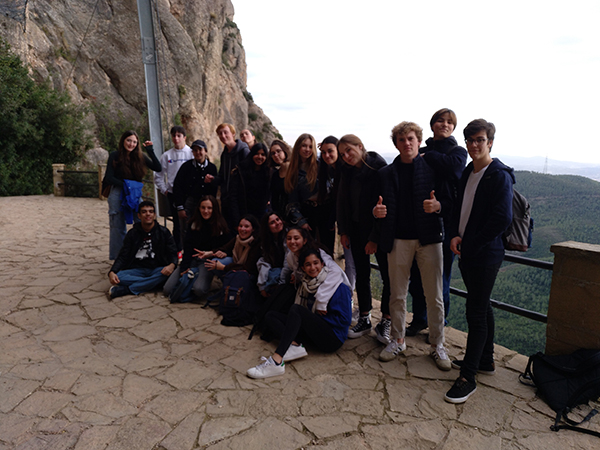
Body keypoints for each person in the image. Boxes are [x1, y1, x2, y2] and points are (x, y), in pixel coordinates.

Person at [445, 119, 514, 404]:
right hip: (467, 249)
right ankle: (485, 360)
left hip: (485, 254)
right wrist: (454, 234)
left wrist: (470, 243)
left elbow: (502, 218)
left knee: (475, 312)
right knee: (482, 305)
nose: (474, 145)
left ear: (490, 143)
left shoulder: (498, 175)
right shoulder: (468, 171)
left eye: (480, 140)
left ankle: (468, 377)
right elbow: (459, 208)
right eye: (470, 140)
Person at [372, 122, 451, 371]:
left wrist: (438, 206)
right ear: (396, 144)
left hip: (429, 239)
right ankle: (397, 340)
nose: (407, 143)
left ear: (418, 141)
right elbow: (374, 206)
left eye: (411, 139)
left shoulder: (433, 169)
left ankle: (438, 344)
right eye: (402, 139)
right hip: (398, 239)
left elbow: (450, 200)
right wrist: (375, 212)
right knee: (397, 294)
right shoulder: (385, 173)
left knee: (434, 296)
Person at [246, 247, 352, 379]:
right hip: (314, 332)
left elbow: (345, 320)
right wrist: (311, 322)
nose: (312, 268)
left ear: (322, 264)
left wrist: (316, 320)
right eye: (308, 264)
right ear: (303, 268)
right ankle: (294, 346)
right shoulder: (306, 285)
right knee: (271, 316)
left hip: (332, 338)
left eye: (315, 263)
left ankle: (277, 361)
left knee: (297, 310)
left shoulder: (338, 287)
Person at [406, 108, 467, 336]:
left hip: (445, 223)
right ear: (432, 125)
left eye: (450, 122)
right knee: (416, 277)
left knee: (440, 279)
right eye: (440, 120)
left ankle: (438, 324)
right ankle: (420, 319)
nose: (445, 124)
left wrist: (428, 156)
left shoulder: (457, 152)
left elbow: (454, 167)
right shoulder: (421, 151)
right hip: (418, 222)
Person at [336, 134, 391, 344]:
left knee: (387, 276)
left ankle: (386, 320)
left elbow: (384, 205)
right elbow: (342, 202)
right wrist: (344, 231)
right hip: (356, 229)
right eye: (342, 154)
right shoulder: (347, 171)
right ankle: (365, 317)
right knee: (362, 274)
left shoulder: (379, 169)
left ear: (360, 146)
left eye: (349, 150)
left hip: (379, 231)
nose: (346, 156)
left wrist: (374, 238)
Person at [104, 130, 161, 260]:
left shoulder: (140, 157)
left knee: (143, 221)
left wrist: (150, 151)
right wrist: (126, 184)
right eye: (128, 140)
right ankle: (119, 258)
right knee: (117, 226)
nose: (131, 144)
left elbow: (157, 168)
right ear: (123, 141)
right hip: (118, 192)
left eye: (134, 142)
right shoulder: (115, 156)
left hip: (134, 194)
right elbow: (109, 177)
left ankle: (143, 254)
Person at [163, 195, 231, 300]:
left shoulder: (221, 225)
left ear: (214, 209)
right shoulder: (193, 223)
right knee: (167, 289)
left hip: (207, 262)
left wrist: (212, 252)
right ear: (198, 208)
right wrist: (184, 267)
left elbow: (228, 246)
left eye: (209, 208)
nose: (206, 211)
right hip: (192, 260)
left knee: (199, 290)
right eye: (203, 207)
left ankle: (191, 284)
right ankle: (189, 281)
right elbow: (188, 247)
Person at [107, 201, 178, 299]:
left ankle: (128, 289)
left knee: (169, 274)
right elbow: (123, 255)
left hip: (158, 269)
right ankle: (153, 283)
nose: (148, 214)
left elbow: (173, 252)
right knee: (119, 277)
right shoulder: (132, 233)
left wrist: (172, 265)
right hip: (137, 269)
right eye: (144, 212)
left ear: (154, 215)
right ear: (139, 216)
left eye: (151, 211)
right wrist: (112, 272)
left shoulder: (164, 232)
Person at [316, 135, 356, 289]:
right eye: (323, 152)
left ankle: (348, 294)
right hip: (335, 219)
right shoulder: (327, 170)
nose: (327, 155)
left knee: (350, 262)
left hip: (348, 220)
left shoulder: (346, 169)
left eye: (330, 151)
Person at [171, 139, 218, 248]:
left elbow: (214, 188)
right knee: (186, 229)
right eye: (195, 150)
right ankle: (187, 252)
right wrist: (180, 207)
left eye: (200, 150)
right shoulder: (186, 167)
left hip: (206, 203)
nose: (198, 153)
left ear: (205, 151)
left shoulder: (212, 168)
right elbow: (177, 186)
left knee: (205, 228)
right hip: (189, 202)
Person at [153, 126, 193, 251]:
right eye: (174, 136)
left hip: (190, 194)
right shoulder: (167, 155)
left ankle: (191, 250)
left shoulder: (191, 153)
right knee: (177, 224)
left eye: (179, 136)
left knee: (191, 223)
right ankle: (177, 251)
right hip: (173, 194)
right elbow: (158, 175)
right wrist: (164, 190)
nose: (176, 138)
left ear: (184, 137)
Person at [205, 123, 250, 232]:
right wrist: (213, 179)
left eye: (226, 132)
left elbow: (249, 176)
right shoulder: (224, 154)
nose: (223, 136)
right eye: (220, 134)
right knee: (227, 231)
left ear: (233, 134)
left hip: (240, 201)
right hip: (226, 200)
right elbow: (222, 177)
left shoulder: (243, 151)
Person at [203, 214, 262, 278]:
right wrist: (210, 253)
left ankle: (231, 281)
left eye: (246, 226)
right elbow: (225, 248)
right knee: (213, 262)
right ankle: (227, 281)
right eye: (240, 226)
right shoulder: (237, 238)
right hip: (237, 265)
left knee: (219, 265)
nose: (242, 229)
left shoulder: (256, 243)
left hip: (250, 274)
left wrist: (224, 267)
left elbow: (248, 267)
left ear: (253, 229)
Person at [284, 133, 319, 233]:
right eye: (304, 146)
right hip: (304, 215)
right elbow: (292, 200)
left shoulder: (320, 167)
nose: (307, 149)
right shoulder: (293, 170)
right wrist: (301, 221)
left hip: (321, 215)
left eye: (310, 147)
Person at [230, 143, 271, 225]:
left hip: (262, 215)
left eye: (263, 154)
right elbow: (233, 196)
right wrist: (237, 220)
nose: (259, 157)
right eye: (257, 154)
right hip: (244, 214)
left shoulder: (268, 172)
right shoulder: (240, 171)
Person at [257, 212, 287, 297]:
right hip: (275, 271)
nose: (277, 223)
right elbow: (264, 262)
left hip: (288, 272)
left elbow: (288, 263)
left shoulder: (289, 236)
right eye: (272, 222)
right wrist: (261, 286)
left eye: (278, 219)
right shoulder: (266, 241)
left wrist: (281, 283)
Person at [269, 139, 291, 216]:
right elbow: (274, 199)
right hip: (281, 216)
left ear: (285, 151)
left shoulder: (295, 171)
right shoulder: (275, 175)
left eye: (278, 151)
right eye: (273, 153)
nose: (276, 155)